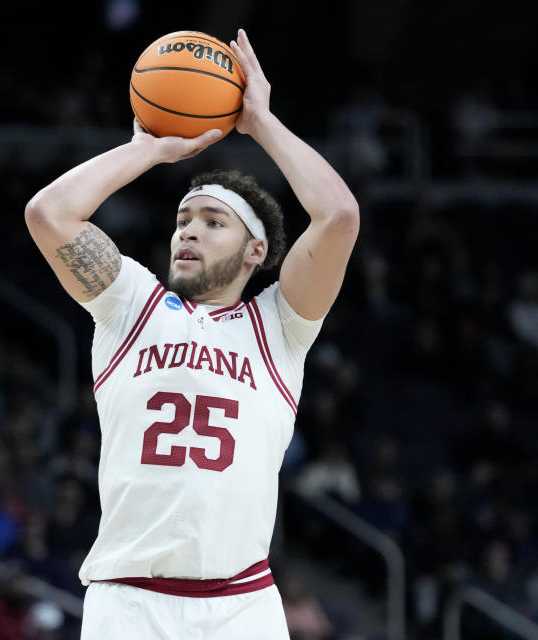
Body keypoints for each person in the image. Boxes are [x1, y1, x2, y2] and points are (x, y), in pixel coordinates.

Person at [24, 29, 359, 638]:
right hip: (129, 602)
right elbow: (49, 214)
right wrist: (146, 150)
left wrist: (261, 123)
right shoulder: (131, 303)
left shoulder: (278, 327)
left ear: (257, 249)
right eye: (182, 219)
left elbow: (338, 217)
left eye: (212, 222)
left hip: (242, 605)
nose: (189, 232)